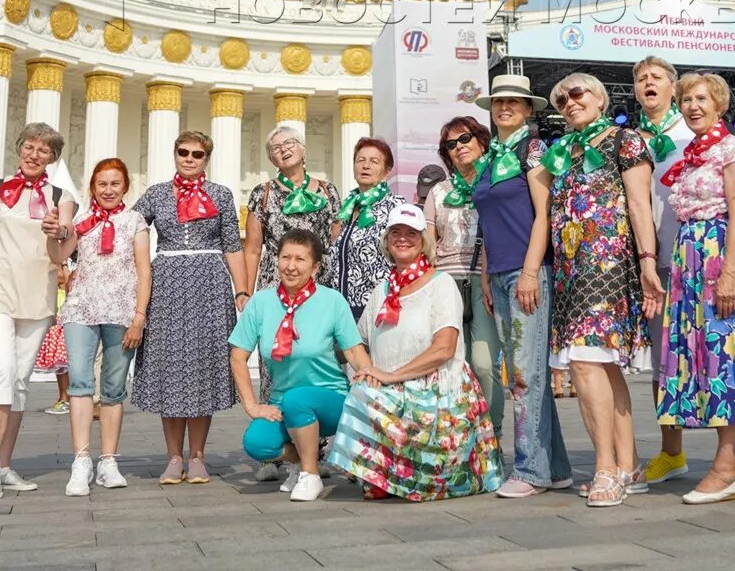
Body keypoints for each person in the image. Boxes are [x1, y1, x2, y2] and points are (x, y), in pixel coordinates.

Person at [655, 71, 735, 505]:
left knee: (729, 358)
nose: (693, 106)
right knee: (715, 358)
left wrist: (729, 272)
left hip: (720, 260)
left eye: (702, 99)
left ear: (720, 105)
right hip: (689, 261)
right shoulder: (689, 155)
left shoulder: (733, 148)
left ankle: (726, 468)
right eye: (687, 99)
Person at [328, 203, 504, 500]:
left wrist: (390, 376)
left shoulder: (442, 284)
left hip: (436, 390)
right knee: (359, 391)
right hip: (394, 386)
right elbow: (359, 343)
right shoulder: (382, 290)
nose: (402, 238)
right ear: (386, 241)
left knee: (363, 398)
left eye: (411, 233)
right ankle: (387, 473)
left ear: (424, 242)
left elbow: (444, 349)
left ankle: (399, 475)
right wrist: (366, 371)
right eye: (395, 232)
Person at [545, 72, 662, 507]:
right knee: (604, 366)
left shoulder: (624, 140)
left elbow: (638, 203)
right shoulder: (565, 151)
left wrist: (647, 261)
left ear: (599, 99)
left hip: (608, 264)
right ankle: (629, 465)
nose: (570, 102)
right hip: (571, 271)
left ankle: (606, 468)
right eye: (562, 100)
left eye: (577, 94)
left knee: (584, 361)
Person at [469, 74, 574, 499]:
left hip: (528, 272)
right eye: (499, 102)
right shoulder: (492, 157)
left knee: (524, 374)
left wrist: (531, 271)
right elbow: (488, 223)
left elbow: (543, 215)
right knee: (525, 372)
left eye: (514, 102)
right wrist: (488, 275)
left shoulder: (534, 150)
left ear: (529, 109)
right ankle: (557, 467)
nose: (505, 108)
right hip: (500, 272)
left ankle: (529, 469)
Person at [0, 123, 76, 501]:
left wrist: (58, 232)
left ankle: (6, 465)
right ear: (19, 149)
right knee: (2, 370)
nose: (34, 155)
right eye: (29, 147)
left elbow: (64, 251)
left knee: (21, 381)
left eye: (44, 150)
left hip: (36, 295)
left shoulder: (61, 195)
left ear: (53, 158)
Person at [129, 130, 247, 486]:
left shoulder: (221, 195)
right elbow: (128, 229)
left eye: (198, 154)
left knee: (202, 369)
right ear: (175, 153)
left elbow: (232, 246)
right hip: (167, 284)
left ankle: (197, 456)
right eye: (184, 152)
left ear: (206, 159)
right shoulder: (156, 194)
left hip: (210, 284)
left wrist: (242, 292)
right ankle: (173, 457)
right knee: (171, 369)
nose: (190, 158)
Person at [229, 229, 372, 503]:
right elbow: (238, 355)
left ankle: (309, 475)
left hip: (330, 398)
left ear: (315, 266)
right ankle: (304, 462)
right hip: (282, 401)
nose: (291, 266)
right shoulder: (260, 303)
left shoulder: (332, 301)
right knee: (257, 443)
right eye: (285, 258)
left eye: (300, 259)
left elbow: (354, 351)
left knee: (299, 399)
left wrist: (368, 391)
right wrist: (251, 405)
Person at [51, 157, 151, 497]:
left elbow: (143, 269)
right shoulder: (81, 221)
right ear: (92, 187)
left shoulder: (134, 220)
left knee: (113, 387)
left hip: (121, 311)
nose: (108, 190)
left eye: (115, 184)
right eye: (102, 184)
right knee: (80, 380)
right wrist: (56, 231)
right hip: (82, 308)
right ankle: (81, 460)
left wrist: (140, 315)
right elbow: (58, 254)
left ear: (125, 187)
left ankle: (108, 460)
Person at [629, 55, 697, 487]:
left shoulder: (693, 129)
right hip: (652, 259)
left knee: (713, 351)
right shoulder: (631, 139)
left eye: (656, 77)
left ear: (673, 87)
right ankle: (672, 452)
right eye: (640, 79)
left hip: (694, 253)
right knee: (662, 360)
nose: (647, 83)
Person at [431, 118, 504, 465]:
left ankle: (491, 434)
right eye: (450, 144)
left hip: (485, 281)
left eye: (465, 138)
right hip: (446, 283)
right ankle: (457, 438)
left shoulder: (496, 183)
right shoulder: (438, 191)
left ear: (481, 141)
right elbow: (428, 241)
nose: (459, 146)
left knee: (485, 363)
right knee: (450, 365)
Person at [244, 125, 342, 293]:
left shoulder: (328, 190)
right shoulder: (263, 193)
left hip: (319, 282)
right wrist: (245, 293)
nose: (283, 149)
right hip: (276, 282)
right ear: (271, 159)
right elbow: (253, 250)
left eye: (289, 143)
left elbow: (336, 240)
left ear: (302, 149)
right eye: (276, 148)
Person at [330, 138, 402, 317]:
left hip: (378, 308)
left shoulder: (395, 207)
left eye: (374, 161)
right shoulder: (346, 209)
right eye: (360, 160)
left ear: (387, 171)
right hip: (341, 311)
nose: (366, 166)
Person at [35, 265, 72, 417]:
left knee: (63, 362)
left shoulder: (63, 270)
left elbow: (63, 279)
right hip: (56, 319)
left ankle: (66, 398)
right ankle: (63, 397)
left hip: (63, 319)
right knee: (60, 365)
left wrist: (60, 263)